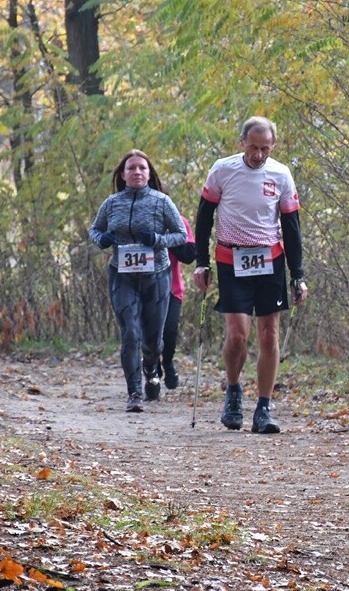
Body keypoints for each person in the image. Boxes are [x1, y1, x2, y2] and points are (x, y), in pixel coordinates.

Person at [193, 116, 307, 434]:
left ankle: (264, 407)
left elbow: (292, 227)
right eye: (253, 147)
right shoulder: (223, 169)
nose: (258, 155)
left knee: (269, 334)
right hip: (231, 259)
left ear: (273, 146)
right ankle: (233, 392)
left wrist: (298, 275)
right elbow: (204, 218)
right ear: (242, 142)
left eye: (265, 149)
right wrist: (202, 262)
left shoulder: (281, 174)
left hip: (270, 259)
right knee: (237, 335)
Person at [89, 149, 188, 412]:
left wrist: (157, 240)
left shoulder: (162, 202)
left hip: (156, 275)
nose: (137, 172)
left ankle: (152, 367)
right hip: (122, 276)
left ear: (149, 173)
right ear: (122, 174)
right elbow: (94, 229)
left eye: (142, 168)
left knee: (153, 340)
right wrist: (103, 240)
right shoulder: (111, 203)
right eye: (131, 168)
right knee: (130, 332)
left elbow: (181, 235)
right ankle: (134, 393)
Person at [157, 216, 196, 390]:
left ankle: (167, 362)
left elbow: (189, 256)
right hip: (142, 287)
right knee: (147, 332)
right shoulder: (134, 218)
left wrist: (168, 237)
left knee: (170, 331)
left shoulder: (178, 221)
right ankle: (152, 366)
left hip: (172, 288)